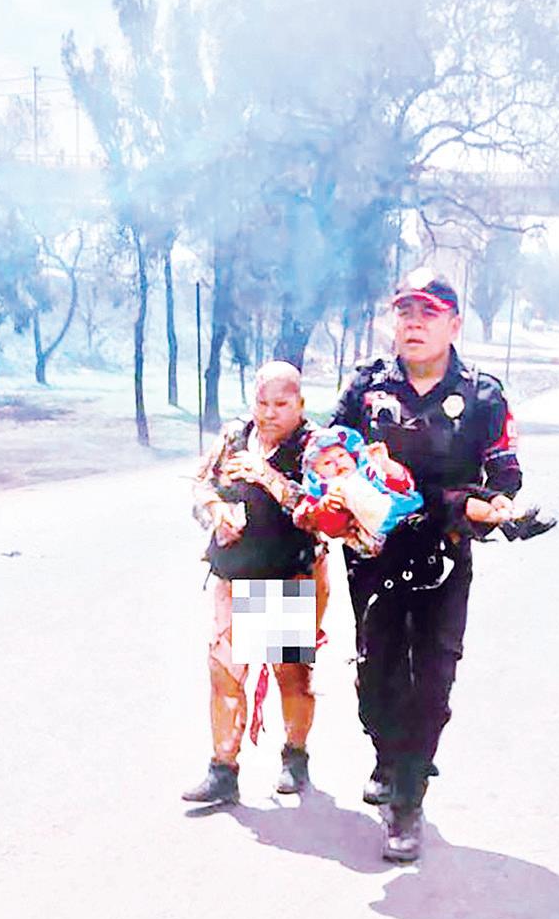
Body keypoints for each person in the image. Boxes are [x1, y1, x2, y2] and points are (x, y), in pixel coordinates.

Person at [332, 268, 525, 862]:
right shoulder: (367, 387)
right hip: (374, 554)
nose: (414, 324)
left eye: (429, 314)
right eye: (405, 313)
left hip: (443, 553)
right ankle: (387, 756)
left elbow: (505, 472)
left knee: (433, 678)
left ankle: (408, 801)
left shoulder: (483, 396)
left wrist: (499, 506)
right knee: (377, 674)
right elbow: (329, 450)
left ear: (454, 325)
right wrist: (340, 482)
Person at [182, 361, 329, 805]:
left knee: (290, 676)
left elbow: (322, 510)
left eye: (281, 404)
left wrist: (268, 477)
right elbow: (201, 485)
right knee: (224, 675)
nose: (268, 413)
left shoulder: (314, 447)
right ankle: (222, 769)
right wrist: (216, 513)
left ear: (300, 403)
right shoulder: (235, 436)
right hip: (233, 571)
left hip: (283, 573)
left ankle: (295, 756)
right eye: (262, 402)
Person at [293, 425, 424, 555]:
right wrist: (324, 508)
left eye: (341, 455)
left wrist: (387, 465)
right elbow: (306, 517)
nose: (338, 463)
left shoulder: (370, 473)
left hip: (406, 519)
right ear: (316, 474)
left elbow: (403, 486)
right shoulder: (323, 495)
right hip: (377, 545)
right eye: (327, 463)